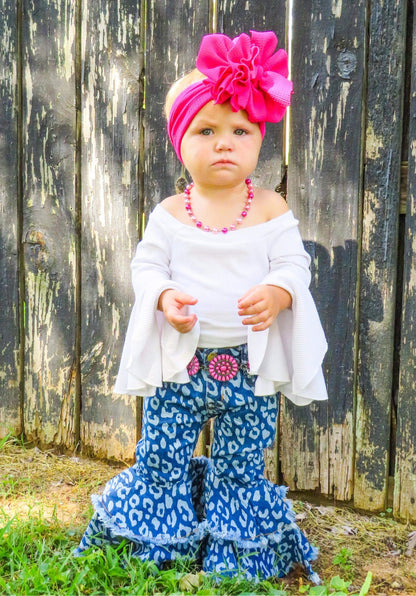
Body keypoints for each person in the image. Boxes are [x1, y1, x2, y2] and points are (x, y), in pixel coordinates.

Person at [75, 30, 328, 584]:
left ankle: (234, 549)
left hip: (249, 369)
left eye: (240, 131)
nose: (224, 144)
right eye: (206, 131)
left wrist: (279, 291)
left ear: (259, 139)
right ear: (179, 141)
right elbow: (147, 267)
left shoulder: (269, 208)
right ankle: (155, 540)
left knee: (241, 462)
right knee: (161, 457)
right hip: (180, 367)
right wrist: (164, 297)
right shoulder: (170, 213)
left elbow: (294, 263)